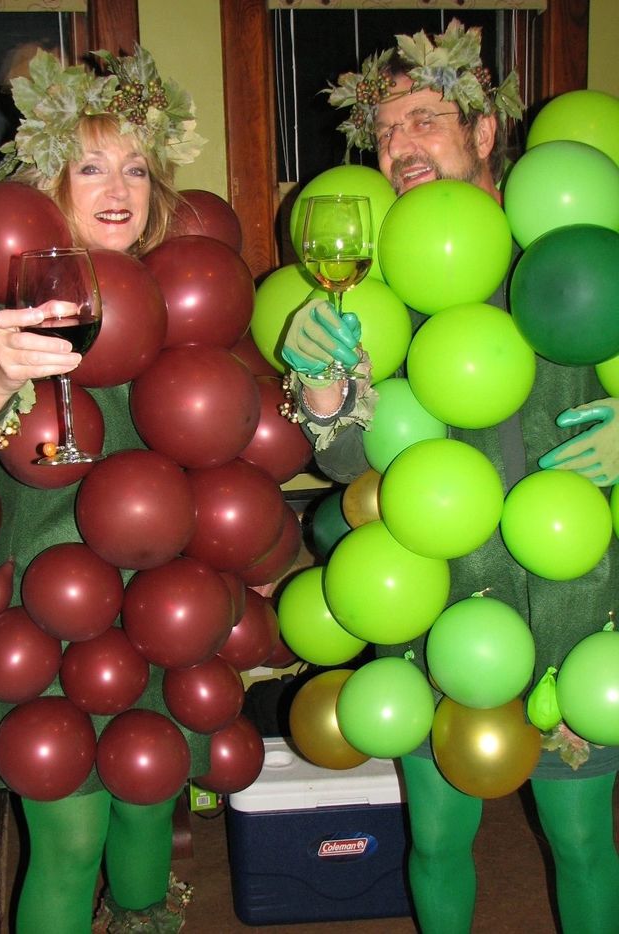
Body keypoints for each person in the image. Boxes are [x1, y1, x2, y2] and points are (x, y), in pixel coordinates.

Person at [281, 19, 619, 934]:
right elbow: (349, 466)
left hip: (569, 595)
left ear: (481, 135)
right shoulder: (375, 282)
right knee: (435, 840)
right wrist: (320, 396)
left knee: (583, 840)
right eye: (386, 132)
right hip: (428, 594)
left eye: (425, 120)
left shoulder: (567, 240)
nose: (399, 146)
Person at [0, 45, 206, 934]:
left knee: (151, 816)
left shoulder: (184, 303)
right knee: (70, 842)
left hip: (162, 614)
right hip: (43, 624)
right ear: (49, 181)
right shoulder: (5, 323)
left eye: (137, 167)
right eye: (90, 165)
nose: (119, 187)